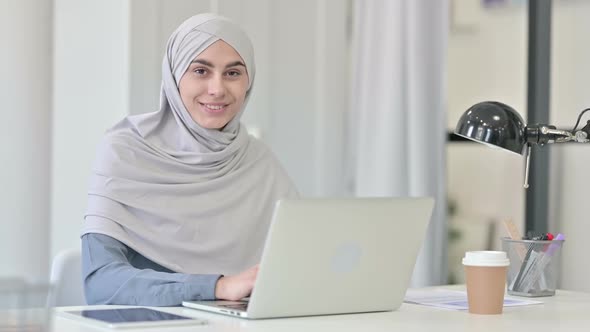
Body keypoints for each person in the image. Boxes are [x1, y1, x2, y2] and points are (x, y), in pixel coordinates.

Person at [81, 13, 298, 306]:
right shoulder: (125, 150)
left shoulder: (259, 161)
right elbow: (102, 282)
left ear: (249, 82)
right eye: (200, 71)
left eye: (233, 73)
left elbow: (298, 262)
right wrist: (216, 286)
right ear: (174, 76)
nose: (218, 89)